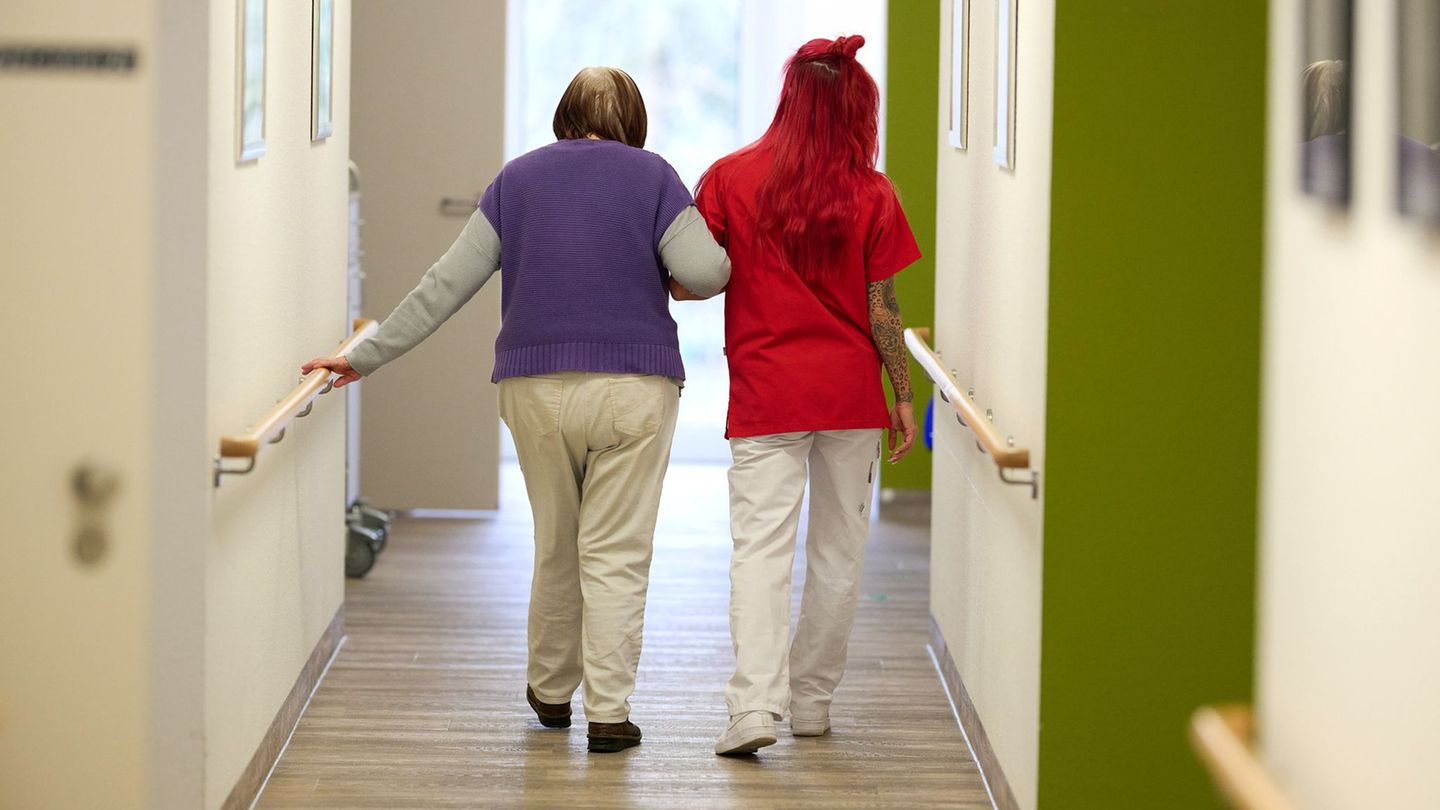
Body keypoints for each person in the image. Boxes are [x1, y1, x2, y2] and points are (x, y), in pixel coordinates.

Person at [302, 66, 729, 754]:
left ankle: (551, 692)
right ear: (633, 121)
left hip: (534, 389)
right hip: (635, 388)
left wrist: (366, 355)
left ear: (563, 116)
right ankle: (611, 715)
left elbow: (446, 284)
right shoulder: (653, 177)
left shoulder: (517, 181)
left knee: (556, 540)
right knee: (615, 553)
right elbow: (707, 272)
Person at [680, 35, 921, 755]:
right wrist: (902, 394)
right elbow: (883, 307)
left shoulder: (729, 176)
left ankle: (754, 706)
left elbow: (694, 277)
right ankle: (811, 701)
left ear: (788, 98)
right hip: (849, 397)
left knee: (759, 550)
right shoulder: (873, 193)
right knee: (839, 554)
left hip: (766, 394)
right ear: (857, 110)